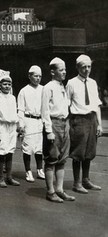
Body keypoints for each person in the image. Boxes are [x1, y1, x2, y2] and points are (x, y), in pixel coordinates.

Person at [66, 54, 103, 194]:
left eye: (89, 67)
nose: (87, 70)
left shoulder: (93, 83)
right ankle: (76, 183)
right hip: (78, 120)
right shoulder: (71, 83)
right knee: (78, 152)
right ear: (77, 67)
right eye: (84, 67)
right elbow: (67, 104)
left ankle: (86, 180)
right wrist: (67, 123)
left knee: (89, 151)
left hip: (92, 119)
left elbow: (97, 104)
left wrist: (99, 124)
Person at [41, 57, 75, 203]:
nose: (64, 72)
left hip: (64, 123)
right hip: (53, 125)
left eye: (65, 69)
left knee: (62, 159)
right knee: (52, 159)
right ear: (53, 72)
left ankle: (59, 190)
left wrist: (67, 124)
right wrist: (49, 131)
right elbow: (44, 111)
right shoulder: (48, 87)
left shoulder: (63, 86)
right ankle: (50, 191)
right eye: (61, 70)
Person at [0, 75, 20, 188]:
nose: (7, 86)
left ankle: (9, 177)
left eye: (9, 84)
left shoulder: (12, 98)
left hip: (11, 127)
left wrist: (18, 125)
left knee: (10, 151)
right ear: (0, 86)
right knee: (1, 152)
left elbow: (14, 113)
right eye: (4, 84)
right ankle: (1, 178)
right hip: (1, 127)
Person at [17, 65, 45, 182]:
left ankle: (39, 169)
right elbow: (21, 110)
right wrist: (21, 125)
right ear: (29, 76)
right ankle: (28, 171)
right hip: (28, 120)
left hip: (40, 120)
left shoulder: (44, 89)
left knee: (39, 147)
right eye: (35, 76)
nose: (38, 78)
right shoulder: (24, 91)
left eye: (40, 76)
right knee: (28, 147)